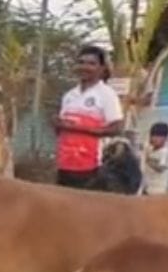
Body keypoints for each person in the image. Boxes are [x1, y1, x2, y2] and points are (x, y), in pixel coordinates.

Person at [53, 45, 125, 190]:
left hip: (90, 168)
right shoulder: (69, 95)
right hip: (65, 166)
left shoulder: (106, 94)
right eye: (81, 62)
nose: (84, 67)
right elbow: (62, 131)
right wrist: (57, 125)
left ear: (102, 68)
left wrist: (79, 129)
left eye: (91, 63)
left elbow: (117, 128)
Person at [141, 122, 168, 196]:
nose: (155, 138)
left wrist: (147, 160)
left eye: (159, 136)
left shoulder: (165, 152)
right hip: (146, 188)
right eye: (153, 135)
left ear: (165, 138)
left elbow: (160, 168)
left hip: (158, 191)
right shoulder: (149, 149)